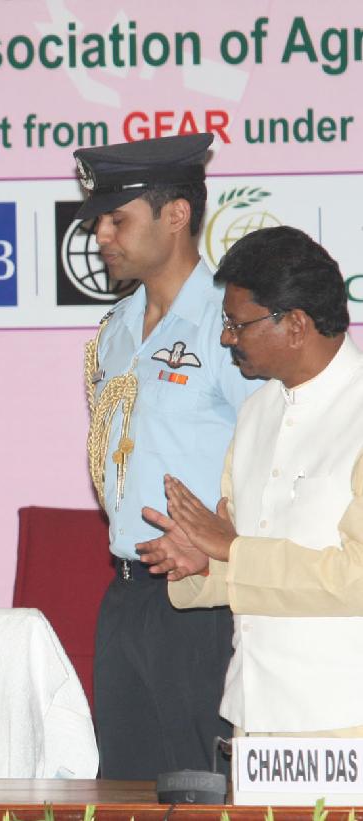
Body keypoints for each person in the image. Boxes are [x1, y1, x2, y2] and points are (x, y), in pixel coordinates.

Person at [76, 133, 258, 778]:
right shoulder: (115, 329)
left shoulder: (230, 325)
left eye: (117, 219)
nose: (101, 234)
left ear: (176, 214)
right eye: (100, 220)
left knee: (205, 786)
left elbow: (274, 455)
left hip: (205, 598)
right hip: (127, 591)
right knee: (124, 791)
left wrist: (227, 538)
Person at [139, 226, 363, 737]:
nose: (226, 338)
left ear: (296, 324)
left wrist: (232, 551)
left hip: (348, 718)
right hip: (253, 712)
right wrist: (204, 563)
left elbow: (356, 578)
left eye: (237, 324)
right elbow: (246, 564)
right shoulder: (256, 412)